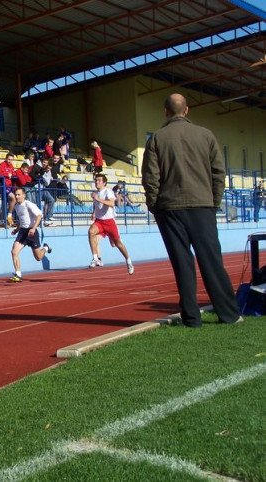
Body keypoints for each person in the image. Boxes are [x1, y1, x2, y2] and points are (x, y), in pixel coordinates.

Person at [142, 93, 242, 327]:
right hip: (202, 206)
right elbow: (219, 173)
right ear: (187, 110)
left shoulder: (157, 138)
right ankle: (229, 314)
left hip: (170, 207)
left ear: (166, 111)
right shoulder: (206, 135)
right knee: (212, 261)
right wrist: (213, 202)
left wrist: (154, 205)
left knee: (182, 263)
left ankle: (191, 316)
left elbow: (151, 177)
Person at [88, 174, 134, 274]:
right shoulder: (95, 193)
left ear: (104, 182)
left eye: (99, 180)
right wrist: (94, 212)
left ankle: (128, 260)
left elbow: (112, 203)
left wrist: (98, 199)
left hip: (109, 222)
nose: (97, 182)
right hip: (99, 221)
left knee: (117, 244)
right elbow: (96, 204)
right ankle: (96, 258)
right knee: (91, 231)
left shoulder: (108, 191)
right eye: (96, 180)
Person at [8, 187, 52, 282]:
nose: (17, 196)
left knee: (38, 257)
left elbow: (39, 215)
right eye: (16, 194)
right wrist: (17, 229)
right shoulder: (16, 206)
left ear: (24, 195)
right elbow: (22, 220)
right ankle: (18, 274)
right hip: (22, 232)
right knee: (14, 252)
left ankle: (46, 248)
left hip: (32, 232)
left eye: (19, 194)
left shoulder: (29, 204)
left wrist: (34, 228)